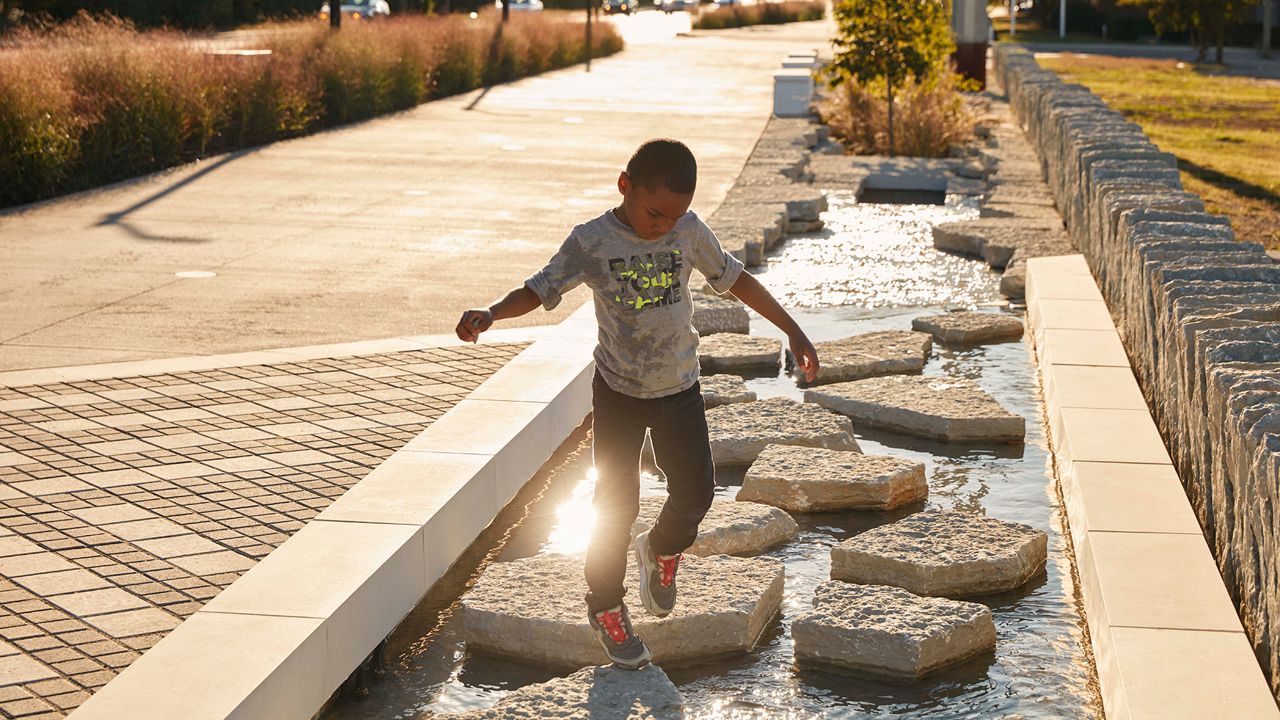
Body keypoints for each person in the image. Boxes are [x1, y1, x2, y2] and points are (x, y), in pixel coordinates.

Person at [455, 138, 819, 669]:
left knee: (696, 495)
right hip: (619, 392)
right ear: (625, 185)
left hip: (679, 388)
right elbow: (539, 288)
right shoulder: (592, 240)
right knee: (614, 505)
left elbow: (736, 279)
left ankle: (662, 549)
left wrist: (794, 331)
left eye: (676, 215)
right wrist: (490, 312)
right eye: (655, 213)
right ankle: (605, 607)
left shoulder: (688, 232)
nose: (664, 225)